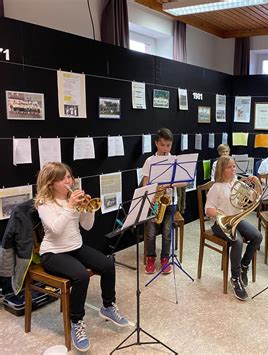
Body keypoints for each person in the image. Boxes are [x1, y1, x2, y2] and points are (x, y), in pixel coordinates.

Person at [35, 162, 128, 352]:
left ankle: (108, 306)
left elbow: (87, 227)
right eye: (62, 178)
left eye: (69, 176)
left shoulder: (72, 199)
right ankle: (76, 321)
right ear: (51, 183)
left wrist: (89, 209)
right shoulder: (44, 204)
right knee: (81, 276)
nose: (68, 181)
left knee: (108, 264)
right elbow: (56, 229)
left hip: (75, 247)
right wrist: (70, 206)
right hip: (52, 253)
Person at [205, 156, 262, 301]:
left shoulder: (238, 184)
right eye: (229, 167)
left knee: (257, 236)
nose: (233, 170)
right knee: (237, 241)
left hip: (236, 220)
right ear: (222, 170)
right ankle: (235, 278)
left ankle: (244, 265)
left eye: (234, 167)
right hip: (220, 224)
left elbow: (254, 198)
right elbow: (208, 210)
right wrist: (222, 216)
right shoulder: (216, 187)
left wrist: (256, 184)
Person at [142, 128, 177, 274]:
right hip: (153, 201)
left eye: (168, 146)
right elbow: (145, 183)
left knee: (167, 232)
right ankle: (151, 257)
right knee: (150, 232)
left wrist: (171, 184)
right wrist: (152, 195)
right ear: (156, 143)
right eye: (162, 145)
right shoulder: (150, 161)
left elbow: (183, 182)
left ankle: (165, 258)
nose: (165, 149)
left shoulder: (174, 160)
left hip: (170, 201)